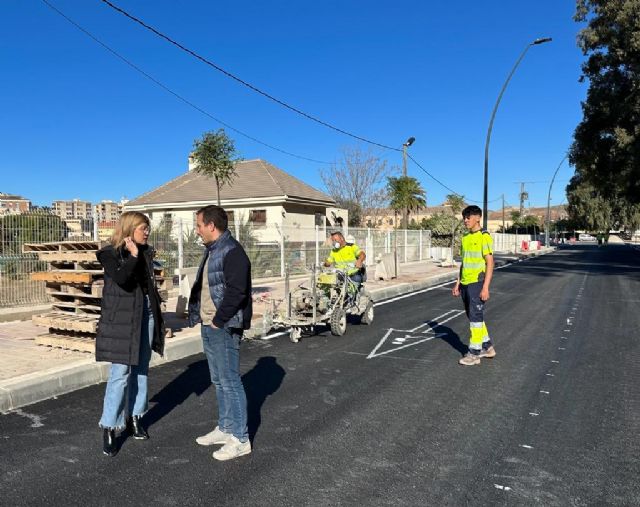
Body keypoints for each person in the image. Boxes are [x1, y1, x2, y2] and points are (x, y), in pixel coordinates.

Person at [95, 211, 165, 457]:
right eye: (143, 228)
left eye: (148, 228)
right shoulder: (109, 254)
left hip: (145, 314)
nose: (147, 232)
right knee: (120, 372)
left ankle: (135, 417)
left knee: (141, 368)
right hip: (123, 320)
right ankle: (110, 426)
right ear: (130, 229)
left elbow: (148, 287)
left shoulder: (147, 252)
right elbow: (123, 279)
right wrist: (134, 256)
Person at [188, 205, 253, 461]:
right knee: (218, 380)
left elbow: (237, 292)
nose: (197, 230)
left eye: (199, 225)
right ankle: (226, 428)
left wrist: (218, 320)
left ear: (211, 226)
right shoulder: (213, 250)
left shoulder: (233, 251)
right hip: (209, 324)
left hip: (223, 326)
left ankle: (240, 438)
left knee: (230, 381)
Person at [452, 205, 495, 366]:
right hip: (465, 283)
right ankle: (488, 347)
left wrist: (485, 287)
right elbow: (464, 263)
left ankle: (474, 353)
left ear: (478, 217)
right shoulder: (465, 238)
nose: (465, 220)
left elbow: (490, 262)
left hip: (477, 282)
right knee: (473, 317)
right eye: (464, 217)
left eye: (468, 217)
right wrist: (457, 283)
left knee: (476, 318)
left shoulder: (484, 236)